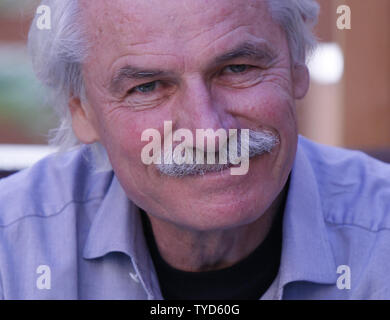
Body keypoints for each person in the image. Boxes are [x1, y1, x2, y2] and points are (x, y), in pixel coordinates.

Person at [0, 0, 389, 300]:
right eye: (148, 87)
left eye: (238, 68)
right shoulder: (12, 248)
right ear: (82, 111)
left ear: (297, 68)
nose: (208, 133)